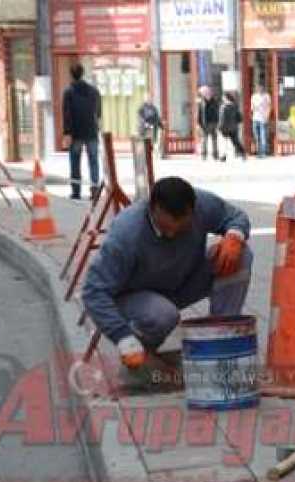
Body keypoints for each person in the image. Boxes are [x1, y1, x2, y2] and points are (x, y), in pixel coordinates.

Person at [81, 177, 253, 369]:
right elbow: (93, 291)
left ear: (192, 211)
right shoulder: (127, 233)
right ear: (152, 208)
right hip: (137, 296)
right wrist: (122, 337)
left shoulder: (202, 204)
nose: (171, 235)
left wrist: (234, 236)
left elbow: (236, 217)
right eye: (165, 228)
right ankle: (140, 350)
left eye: (181, 228)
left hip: (182, 281)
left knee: (241, 256)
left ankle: (221, 338)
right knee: (163, 315)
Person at [62, 64, 102, 202]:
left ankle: (76, 191)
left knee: (75, 162)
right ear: (83, 73)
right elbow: (98, 112)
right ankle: (95, 191)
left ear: (71, 75)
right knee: (93, 162)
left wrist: (67, 132)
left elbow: (67, 114)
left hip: (76, 132)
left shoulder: (68, 92)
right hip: (91, 131)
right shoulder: (94, 91)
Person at [218, 92, 247, 161]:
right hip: (234, 127)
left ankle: (223, 156)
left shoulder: (223, 107)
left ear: (225, 98)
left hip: (225, 127)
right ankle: (243, 153)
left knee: (224, 142)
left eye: (223, 97)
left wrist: (220, 127)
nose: (222, 99)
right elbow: (240, 118)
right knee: (236, 142)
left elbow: (222, 118)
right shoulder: (235, 106)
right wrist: (237, 124)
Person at [197, 86, 221, 161]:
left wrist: (218, 122)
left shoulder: (215, 101)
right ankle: (204, 155)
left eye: (204, 93)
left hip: (213, 123)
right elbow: (199, 113)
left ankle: (215, 155)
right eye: (202, 93)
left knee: (214, 139)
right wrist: (198, 123)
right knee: (204, 140)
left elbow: (218, 112)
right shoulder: (201, 102)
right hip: (204, 123)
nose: (203, 94)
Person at [250, 83, 272, 157]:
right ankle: (258, 152)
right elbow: (252, 108)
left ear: (263, 88)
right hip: (255, 118)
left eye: (261, 88)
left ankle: (263, 152)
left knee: (263, 136)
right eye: (258, 88)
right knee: (257, 136)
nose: (259, 89)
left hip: (263, 118)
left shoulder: (266, 96)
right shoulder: (254, 96)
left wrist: (267, 116)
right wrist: (254, 108)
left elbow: (269, 107)